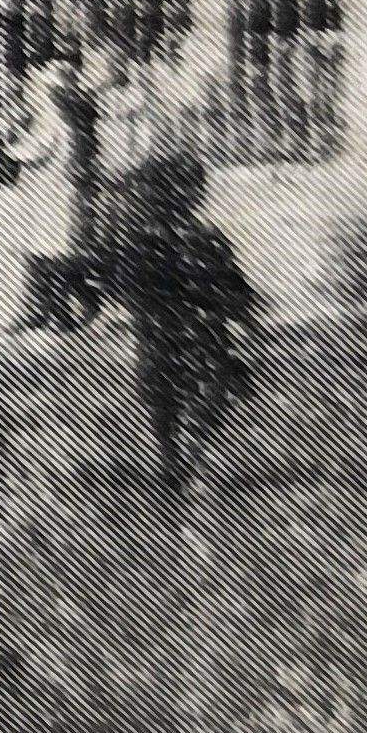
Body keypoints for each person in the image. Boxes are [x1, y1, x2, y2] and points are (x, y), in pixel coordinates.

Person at [107, 150, 263, 492]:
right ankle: (170, 458)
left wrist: (244, 313)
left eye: (195, 188)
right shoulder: (143, 239)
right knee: (163, 399)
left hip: (203, 331)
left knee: (211, 396)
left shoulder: (207, 236)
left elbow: (233, 280)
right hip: (164, 329)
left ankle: (185, 460)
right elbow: (130, 286)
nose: (193, 195)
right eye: (185, 187)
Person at [0, 40, 92, 333]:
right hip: (49, 184)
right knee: (45, 247)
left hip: (53, 184)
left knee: (51, 247)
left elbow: (39, 144)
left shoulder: (55, 104)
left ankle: (57, 309)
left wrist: (10, 145)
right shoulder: (63, 100)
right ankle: (45, 308)